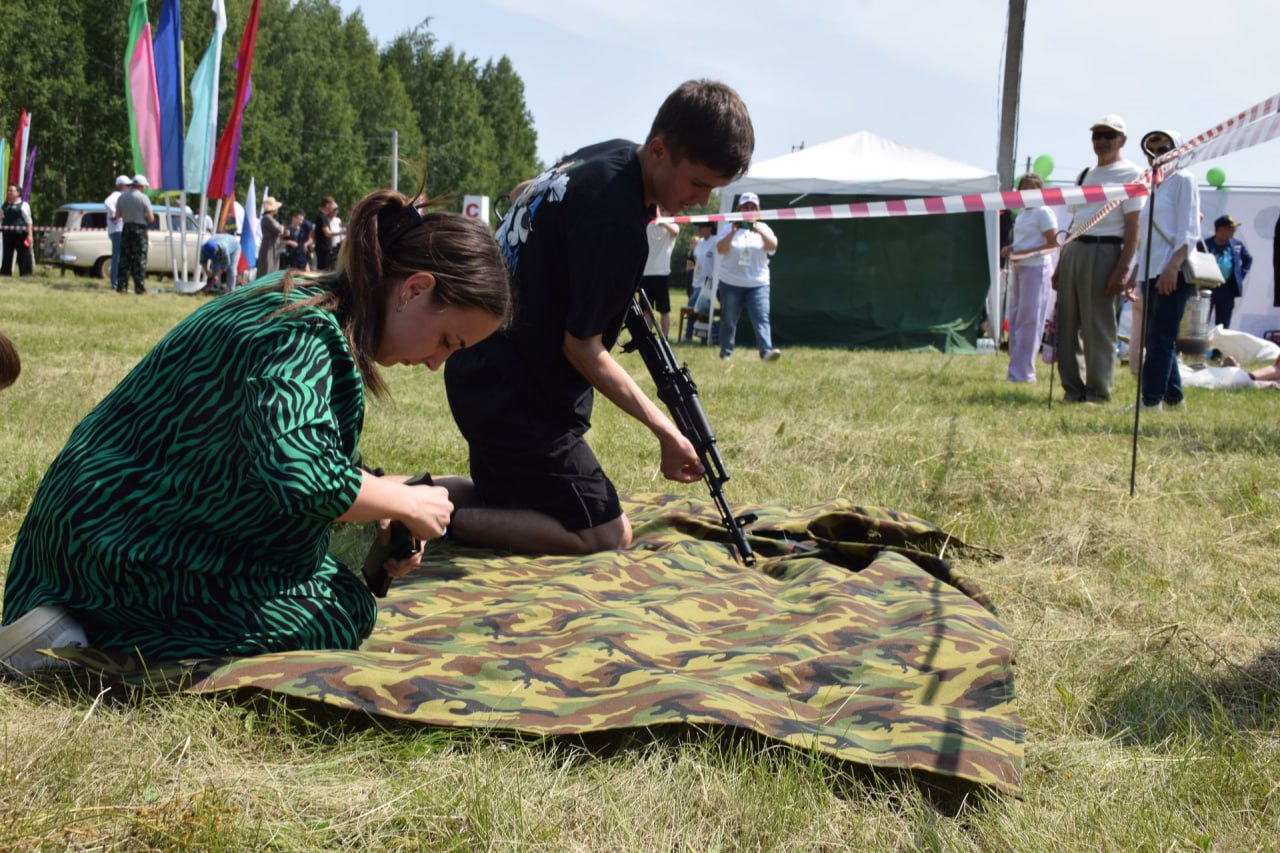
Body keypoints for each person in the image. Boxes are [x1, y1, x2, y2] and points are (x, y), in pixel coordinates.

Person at [0, 189, 512, 675]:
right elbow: (299, 474)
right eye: (447, 340)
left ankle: (73, 616)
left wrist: (380, 515)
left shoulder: (302, 302)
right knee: (340, 610)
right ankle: (85, 633)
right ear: (414, 289)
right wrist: (406, 504)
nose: (434, 363)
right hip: (115, 553)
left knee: (334, 577)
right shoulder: (305, 333)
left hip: (98, 526)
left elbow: (276, 453)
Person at [443, 79, 754, 557]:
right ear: (659, 149)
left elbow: (524, 188)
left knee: (508, 500)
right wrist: (667, 432)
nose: (701, 202)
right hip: (515, 399)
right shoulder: (618, 222)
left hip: (484, 374)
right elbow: (582, 347)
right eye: (698, 183)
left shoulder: (608, 156)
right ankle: (418, 519)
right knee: (606, 534)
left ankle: (399, 496)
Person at [1053, 115, 1145, 403]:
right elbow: (1075, 221)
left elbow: (1133, 225)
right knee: (1066, 325)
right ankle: (1073, 389)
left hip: (1105, 250)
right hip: (1074, 250)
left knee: (1098, 327)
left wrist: (1122, 268)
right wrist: (1060, 263)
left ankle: (1098, 392)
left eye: (1109, 135)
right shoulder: (1085, 175)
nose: (1103, 141)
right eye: (1097, 135)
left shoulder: (1132, 174)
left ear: (1123, 140)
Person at [1129, 129, 1200, 411]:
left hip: (1172, 271)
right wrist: (1137, 271)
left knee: (1160, 338)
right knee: (1157, 336)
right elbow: (1148, 237)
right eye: (1152, 150)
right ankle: (1174, 397)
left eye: (1164, 149)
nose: (1157, 155)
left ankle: (1150, 400)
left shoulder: (1183, 179)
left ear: (1178, 150)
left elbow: (1189, 231)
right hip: (1151, 270)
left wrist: (1173, 267)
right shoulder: (1155, 186)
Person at [1001, 174, 1059, 382]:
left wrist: (1026, 252)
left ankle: (1025, 373)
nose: (1027, 193)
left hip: (1036, 269)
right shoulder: (1023, 214)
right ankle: (1015, 369)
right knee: (1016, 319)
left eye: (1032, 189)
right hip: (1019, 268)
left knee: (1029, 321)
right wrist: (1012, 249)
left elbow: (1053, 243)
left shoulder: (1044, 212)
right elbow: (1025, 242)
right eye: (1023, 189)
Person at [716, 191, 781, 361]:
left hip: (758, 283)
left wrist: (760, 232)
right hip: (730, 281)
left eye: (753, 207)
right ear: (739, 209)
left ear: (758, 211)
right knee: (728, 319)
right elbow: (720, 249)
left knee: (761, 318)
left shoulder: (764, 228)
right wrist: (732, 231)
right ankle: (726, 353)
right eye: (746, 207)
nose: (749, 210)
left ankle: (766, 352)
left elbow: (773, 247)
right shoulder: (727, 227)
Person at [1202, 214, 1253, 330]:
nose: (1233, 231)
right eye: (1230, 229)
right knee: (1202, 322)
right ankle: (1200, 347)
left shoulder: (1237, 245)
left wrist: (1240, 276)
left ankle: (1219, 348)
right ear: (1220, 230)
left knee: (1223, 324)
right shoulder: (1204, 244)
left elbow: (1248, 259)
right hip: (1206, 288)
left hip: (1227, 289)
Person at [639, 213, 679, 337]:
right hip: (646, 273)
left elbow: (674, 232)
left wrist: (663, 222)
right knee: (646, 310)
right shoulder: (648, 226)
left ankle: (664, 337)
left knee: (664, 310)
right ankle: (647, 336)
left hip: (662, 273)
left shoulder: (673, 226)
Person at [114, 175, 155, 294]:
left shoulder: (122, 197)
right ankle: (139, 287)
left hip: (126, 228)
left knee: (124, 258)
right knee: (139, 259)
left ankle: (121, 287)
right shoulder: (143, 198)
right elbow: (151, 218)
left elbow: (117, 216)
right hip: (140, 230)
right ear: (141, 186)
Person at [1, 184, 34, 277]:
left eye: (11, 191)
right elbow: (1, 216)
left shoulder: (24, 205)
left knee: (23, 254)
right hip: (7, 234)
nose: (9, 192)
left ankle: (26, 274)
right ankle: (5, 273)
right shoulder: (5, 205)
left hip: (21, 234)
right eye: (9, 190)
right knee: (7, 254)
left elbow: (29, 221)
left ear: (18, 193)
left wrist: (30, 235)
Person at [104, 175, 130, 291]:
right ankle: (115, 284)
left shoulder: (122, 196)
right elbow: (107, 202)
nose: (129, 187)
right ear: (121, 186)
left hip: (119, 229)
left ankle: (119, 282)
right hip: (117, 230)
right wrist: (116, 214)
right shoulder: (116, 196)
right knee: (117, 257)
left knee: (119, 257)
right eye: (127, 185)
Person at [257, 196, 284, 279]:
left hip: (273, 245)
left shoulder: (270, 219)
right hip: (268, 245)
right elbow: (279, 229)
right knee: (267, 267)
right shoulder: (267, 218)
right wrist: (282, 228)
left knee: (273, 267)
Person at [315, 196, 343, 271]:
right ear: (327, 205)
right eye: (332, 204)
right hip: (323, 248)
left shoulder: (323, 216)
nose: (333, 207)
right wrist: (341, 232)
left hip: (325, 248)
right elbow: (327, 233)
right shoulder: (322, 217)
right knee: (323, 270)